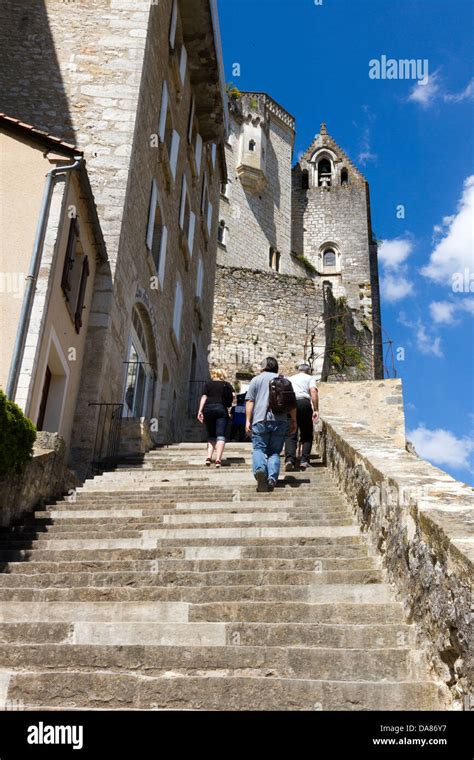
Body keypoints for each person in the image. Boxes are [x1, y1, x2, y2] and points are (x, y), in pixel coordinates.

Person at [245, 357, 297, 492]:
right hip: (280, 421)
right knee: (275, 452)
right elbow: (292, 404)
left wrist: (247, 420)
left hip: (260, 419)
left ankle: (260, 470)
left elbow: (250, 401)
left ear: (263, 367)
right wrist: (293, 421)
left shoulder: (256, 380)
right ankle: (272, 478)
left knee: (259, 449)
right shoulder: (284, 380)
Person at [284, 363, 319, 471]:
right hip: (304, 403)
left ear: (299, 370)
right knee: (307, 433)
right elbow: (313, 391)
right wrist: (316, 409)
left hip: (291, 404)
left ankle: (290, 459)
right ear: (308, 371)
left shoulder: (290, 378)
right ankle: (304, 460)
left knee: (291, 433)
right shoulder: (310, 378)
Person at [197, 369, 235, 468]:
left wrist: (200, 411)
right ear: (223, 375)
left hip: (208, 409)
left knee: (211, 435)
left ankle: (209, 458)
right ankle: (218, 459)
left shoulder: (208, 384)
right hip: (221, 408)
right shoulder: (226, 384)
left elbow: (204, 397)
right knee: (221, 434)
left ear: (214, 375)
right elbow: (233, 395)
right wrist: (228, 402)